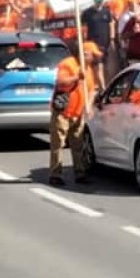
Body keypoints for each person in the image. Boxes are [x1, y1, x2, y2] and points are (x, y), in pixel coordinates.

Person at [49, 32, 92, 186]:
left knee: (78, 143)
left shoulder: (87, 67)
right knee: (58, 143)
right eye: (90, 54)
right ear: (83, 53)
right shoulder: (68, 64)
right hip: (63, 111)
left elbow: (91, 88)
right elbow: (61, 82)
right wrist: (76, 78)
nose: (93, 57)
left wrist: (89, 105)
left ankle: (80, 173)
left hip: (78, 112)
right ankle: (55, 173)